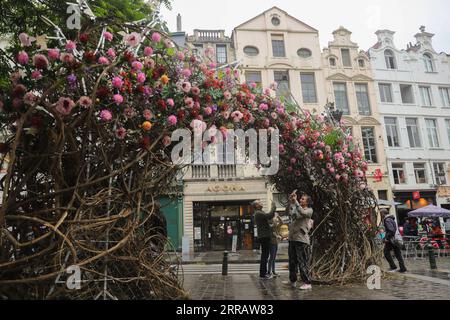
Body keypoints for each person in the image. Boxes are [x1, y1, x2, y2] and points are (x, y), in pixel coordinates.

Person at [283, 192, 314, 290]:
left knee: (302, 262)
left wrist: (295, 202)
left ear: (307, 202)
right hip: (292, 239)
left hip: (301, 240)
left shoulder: (309, 210)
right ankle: (293, 281)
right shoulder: (297, 208)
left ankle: (307, 282)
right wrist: (291, 201)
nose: (300, 200)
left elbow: (303, 213)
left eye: (303, 199)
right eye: (300, 199)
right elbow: (290, 213)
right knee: (292, 262)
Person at [253, 200, 276, 280]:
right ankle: (263, 274)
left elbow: (269, 216)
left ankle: (263, 273)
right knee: (265, 255)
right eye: (259, 202)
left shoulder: (259, 212)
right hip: (264, 236)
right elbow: (269, 215)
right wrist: (273, 206)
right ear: (256, 205)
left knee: (265, 255)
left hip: (264, 236)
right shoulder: (258, 213)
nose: (262, 203)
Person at [268, 212, 283, 277]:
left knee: (274, 257)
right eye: (275, 218)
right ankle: (269, 271)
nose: (276, 220)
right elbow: (272, 230)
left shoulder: (276, 225)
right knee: (271, 257)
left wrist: (278, 217)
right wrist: (277, 236)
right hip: (271, 242)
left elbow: (282, 223)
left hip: (276, 242)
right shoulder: (270, 223)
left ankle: (273, 271)